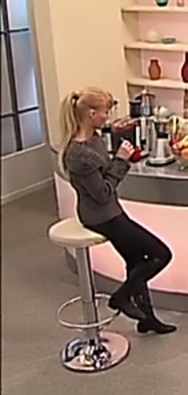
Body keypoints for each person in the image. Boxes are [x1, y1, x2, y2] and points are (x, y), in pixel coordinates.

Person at [59, 87, 176, 335]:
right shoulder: (79, 155)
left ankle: (147, 319)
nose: (108, 116)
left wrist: (119, 156)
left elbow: (104, 175)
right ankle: (122, 296)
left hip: (110, 211)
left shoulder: (95, 138)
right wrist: (121, 160)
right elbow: (102, 193)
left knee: (136, 260)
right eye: (105, 112)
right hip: (100, 217)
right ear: (91, 114)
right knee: (160, 254)